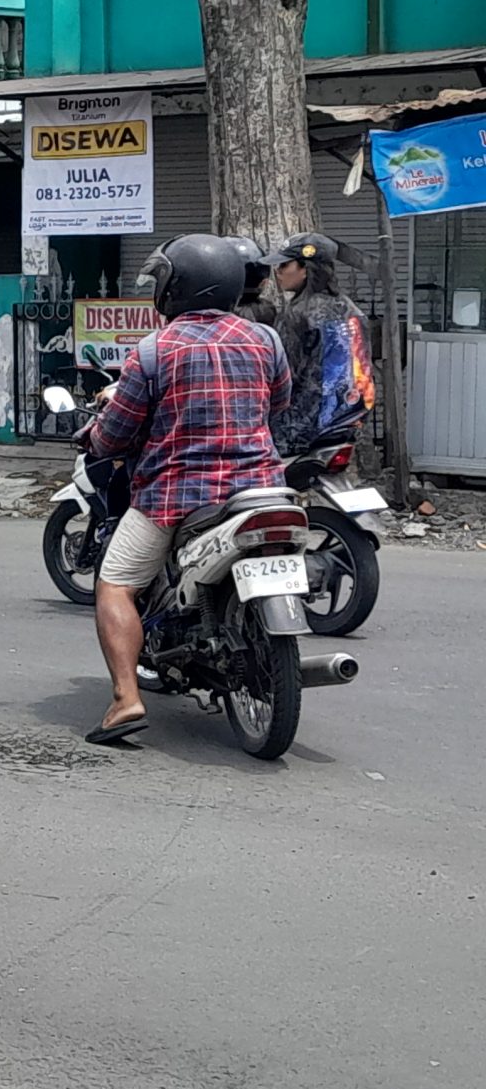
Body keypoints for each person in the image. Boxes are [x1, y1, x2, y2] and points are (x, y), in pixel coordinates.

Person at [81, 234, 290, 746]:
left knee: (114, 584)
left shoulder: (153, 352)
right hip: (262, 489)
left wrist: (94, 434)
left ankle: (126, 699)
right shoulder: (265, 340)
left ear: (176, 289)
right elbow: (279, 402)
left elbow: (115, 435)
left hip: (176, 496)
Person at [264, 233, 375, 458]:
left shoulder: (296, 315)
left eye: (285, 264)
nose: (278, 271)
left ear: (306, 269)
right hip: (347, 420)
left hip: (297, 430)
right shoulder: (353, 310)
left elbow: (282, 376)